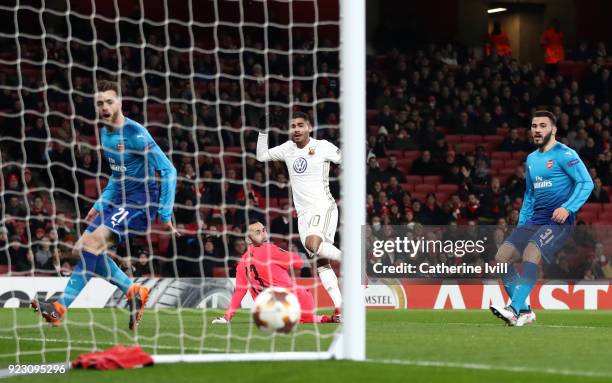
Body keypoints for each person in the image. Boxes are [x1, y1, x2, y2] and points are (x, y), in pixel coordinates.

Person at [31, 80, 179, 330]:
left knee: (90, 245)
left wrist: (164, 213)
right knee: (86, 249)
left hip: (140, 202)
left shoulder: (135, 133)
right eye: (100, 103)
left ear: (119, 102)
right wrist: (101, 203)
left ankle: (60, 308)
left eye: (109, 101)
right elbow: (117, 175)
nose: (105, 106)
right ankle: (133, 291)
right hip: (119, 200)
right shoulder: (105, 133)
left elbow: (168, 170)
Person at [490, 111, 593, 326]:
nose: (537, 129)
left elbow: (586, 183)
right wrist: (522, 224)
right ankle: (525, 310)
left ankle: (513, 308)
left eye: (542, 125)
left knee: (531, 252)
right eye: (534, 125)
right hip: (535, 218)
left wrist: (568, 207)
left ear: (553, 129)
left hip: (559, 220)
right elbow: (529, 195)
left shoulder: (565, 154)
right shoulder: (531, 159)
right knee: (501, 258)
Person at [256, 111, 342, 321]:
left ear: (309, 127)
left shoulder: (322, 146)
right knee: (321, 262)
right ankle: (341, 309)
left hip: (323, 206)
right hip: (303, 214)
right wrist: (262, 131)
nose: (296, 129)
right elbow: (261, 156)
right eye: (293, 125)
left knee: (313, 244)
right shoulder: (287, 149)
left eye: (300, 125)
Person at [212, 221, 336, 324]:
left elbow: (239, 292)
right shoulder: (269, 249)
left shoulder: (241, 264)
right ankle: (310, 318)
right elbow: (299, 263)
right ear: (248, 240)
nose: (264, 234)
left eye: (264, 230)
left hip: (265, 312)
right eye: (258, 232)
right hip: (288, 304)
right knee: (303, 292)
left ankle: (324, 319)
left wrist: (227, 316)